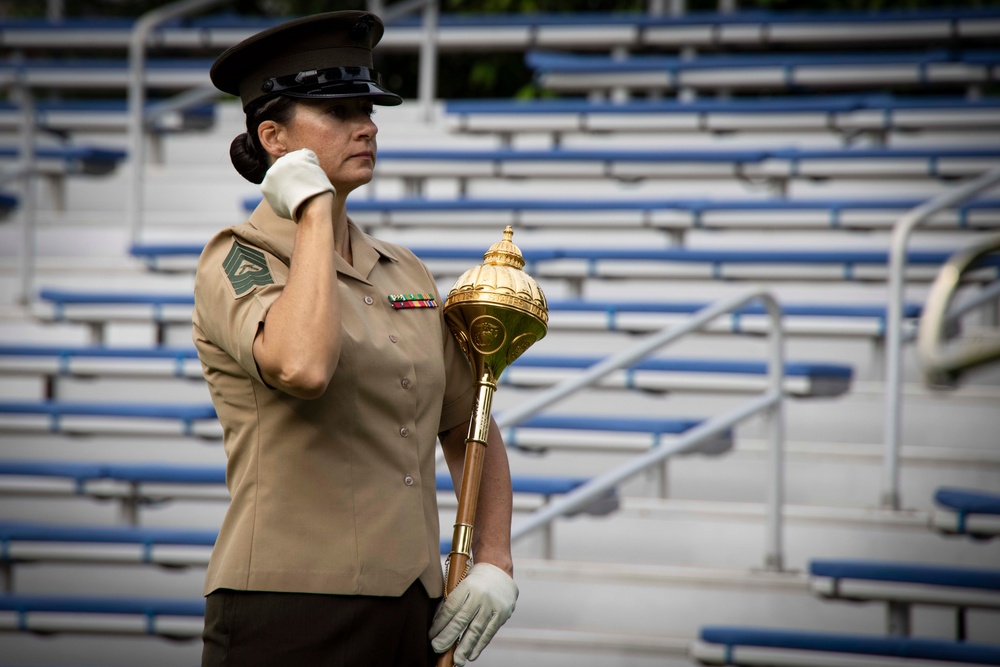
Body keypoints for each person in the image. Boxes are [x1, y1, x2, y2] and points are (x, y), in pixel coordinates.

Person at [194, 10, 517, 666]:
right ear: (273, 137)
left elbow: (468, 422)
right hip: (287, 613)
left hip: (413, 610)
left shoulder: (404, 268)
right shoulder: (237, 258)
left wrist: (494, 559)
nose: (366, 125)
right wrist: (311, 210)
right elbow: (303, 365)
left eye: (367, 109)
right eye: (338, 111)